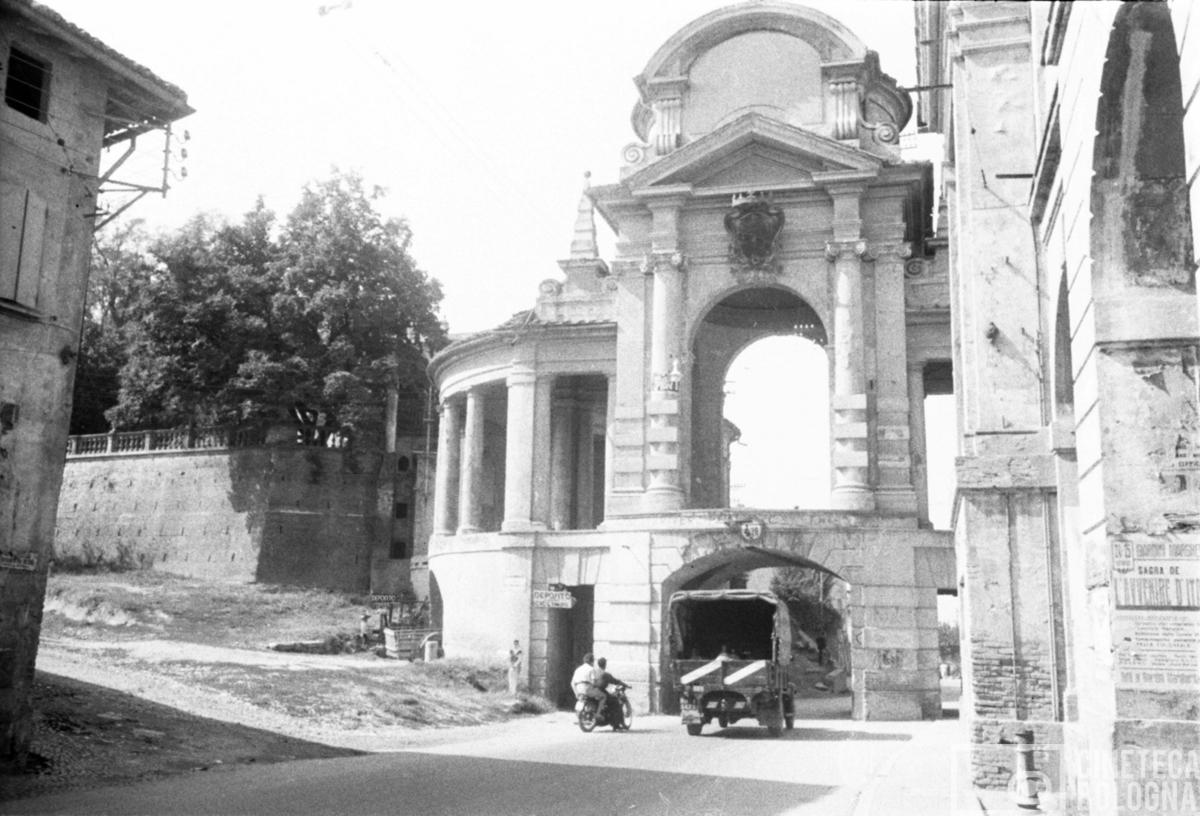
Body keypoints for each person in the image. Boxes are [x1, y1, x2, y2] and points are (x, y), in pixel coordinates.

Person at [595, 657, 627, 728]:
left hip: (594, 691)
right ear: (605, 665)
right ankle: (616, 724)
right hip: (601, 691)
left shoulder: (595, 672)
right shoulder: (605, 674)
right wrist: (624, 684)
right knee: (616, 703)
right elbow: (614, 681)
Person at [571, 652, 605, 717]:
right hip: (587, 689)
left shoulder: (578, 669)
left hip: (578, 689)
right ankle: (598, 713)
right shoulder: (591, 669)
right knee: (603, 696)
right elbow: (594, 682)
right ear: (592, 661)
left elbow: (572, 683)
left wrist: (576, 693)